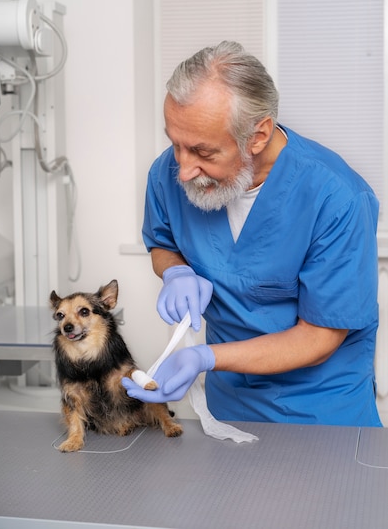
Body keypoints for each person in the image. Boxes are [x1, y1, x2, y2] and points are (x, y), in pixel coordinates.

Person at [122, 41, 382, 426]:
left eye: (203, 152)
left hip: (320, 412)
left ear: (258, 135)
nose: (184, 169)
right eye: (174, 142)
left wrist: (205, 358)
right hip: (229, 404)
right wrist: (175, 271)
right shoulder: (168, 172)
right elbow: (162, 241)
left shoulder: (337, 198)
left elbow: (319, 338)